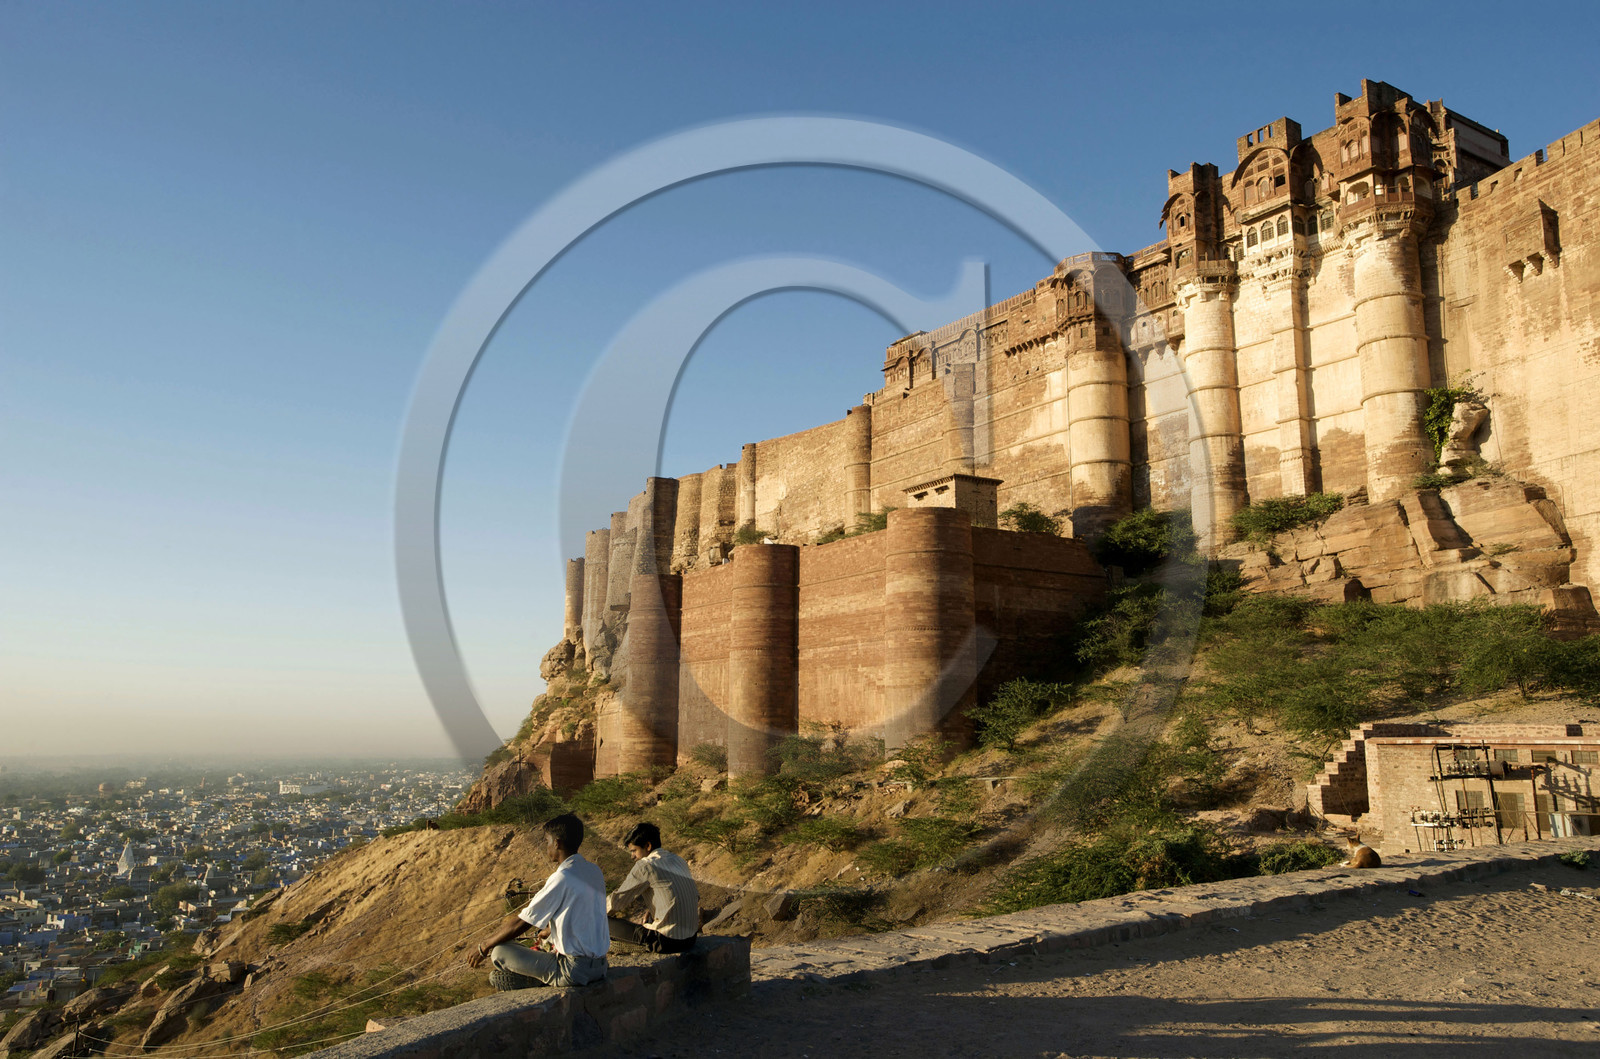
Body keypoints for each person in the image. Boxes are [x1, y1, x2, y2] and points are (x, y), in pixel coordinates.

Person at [466, 813, 609, 990]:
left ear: (557, 843)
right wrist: (551, 930)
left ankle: (539, 980)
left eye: (547, 841)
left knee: (499, 951)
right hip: (601, 967)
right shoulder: (594, 871)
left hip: (573, 971)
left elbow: (522, 923)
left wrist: (484, 946)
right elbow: (583, 914)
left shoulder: (563, 877)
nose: (547, 846)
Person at [606, 821, 700, 954]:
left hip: (666, 942)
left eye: (634, 851)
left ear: (648, 846)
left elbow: (616, 902)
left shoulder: (645, 865)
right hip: (691, 938)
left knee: (599, 920)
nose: (632, 856)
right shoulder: (678, 860)